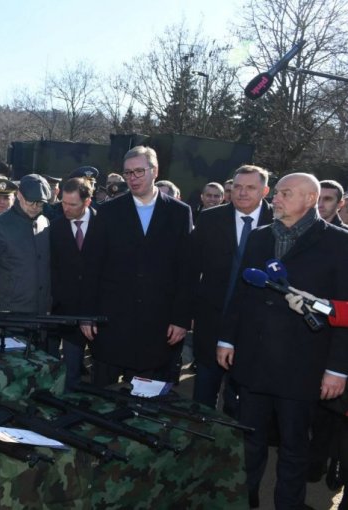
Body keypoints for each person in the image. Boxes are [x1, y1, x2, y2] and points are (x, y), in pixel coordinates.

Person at [216, 173, 348, 509]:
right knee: (250, 441)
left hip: (302, 366)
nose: (276, 198)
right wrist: (227, 339)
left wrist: (337, 369)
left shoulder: (338, 242)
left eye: (285, 193)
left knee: (294, 447)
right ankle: (244, 501)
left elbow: (344, 311)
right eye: (277, 193)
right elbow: (241, 292)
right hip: (254, 361)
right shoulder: (261, 236)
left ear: (310, 199)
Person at [87, 146, 193, 387]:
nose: (132, 179)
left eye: (138, 172)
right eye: (127, 173)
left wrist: (181, 319)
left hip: (158, 327)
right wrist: (87, 316)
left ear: (155, 171)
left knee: (147, 404)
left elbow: (185, 270)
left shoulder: (179, 213)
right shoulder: (107, 212)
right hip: (112, 324)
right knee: (103, 399)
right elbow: (93, 265)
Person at [189, 165, 273, 412]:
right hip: (211, 322)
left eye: (250, 187)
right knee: (203, 395)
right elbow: (191, 269)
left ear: (265, 190)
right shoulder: (210, 218)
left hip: (256, 330)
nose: (242, 193)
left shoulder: (279, 224)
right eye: (237, 187)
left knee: (243, 405)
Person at [0, 174, 51, 314]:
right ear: (19, 195)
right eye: (31, 202)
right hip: (11, 309)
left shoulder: (44, 222)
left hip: (40, 309)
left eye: (40, 203)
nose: (35, 207)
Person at [50, 177, 97, 392]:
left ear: (88, 202)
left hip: (99, 314)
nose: (66, 209)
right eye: (63, 203)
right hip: (67, 314)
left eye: (72, 204)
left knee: (102, 375)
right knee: (71, 372)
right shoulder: (55, 228)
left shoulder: (105, 224)